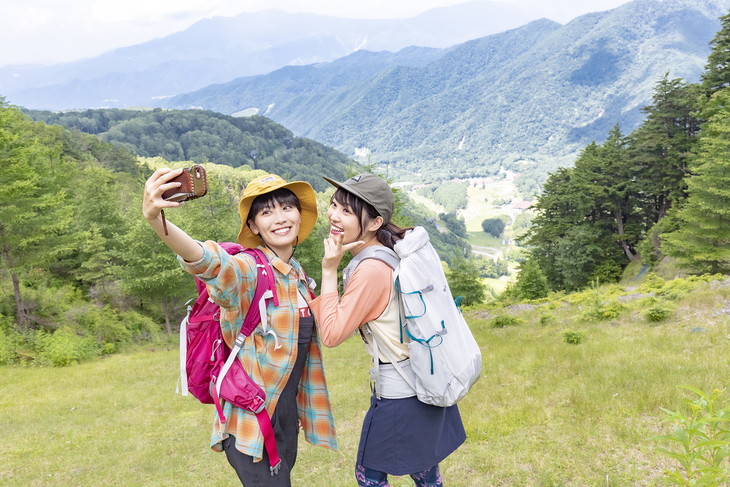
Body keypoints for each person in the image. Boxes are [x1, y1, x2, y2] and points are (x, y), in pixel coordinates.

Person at [142, 168, 337, 486]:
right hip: (252, 424)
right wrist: (156, 220)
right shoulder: (248, 270)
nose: (280, 218)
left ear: (299, 214)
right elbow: (208, 261)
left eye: (286, 207)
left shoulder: (297, 275)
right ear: (253, 226)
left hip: (284, 417)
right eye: (266, 212)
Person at [308, 174, 466, 487]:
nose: (334, 215)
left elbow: (332, 334)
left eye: (346, 211)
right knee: (424, 471)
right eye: (334, 205)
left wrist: (329, 268)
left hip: (401, 393)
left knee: (369, 475)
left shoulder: (371, 269)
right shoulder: (388, 251)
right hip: (420, 379)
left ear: (374, 222)